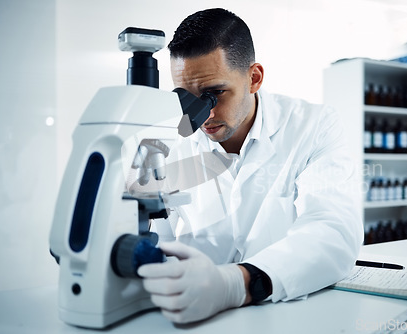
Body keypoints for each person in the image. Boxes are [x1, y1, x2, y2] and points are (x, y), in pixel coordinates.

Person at [137, 7, 363, 324]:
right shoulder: (164, 139)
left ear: (253, 78)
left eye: (213, 95)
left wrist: (235, 284)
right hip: (189, 316)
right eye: (186, 99)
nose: (202, 116)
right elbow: (149, 235)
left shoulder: (314, 126)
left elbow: (334, 231)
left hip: (285, 317)